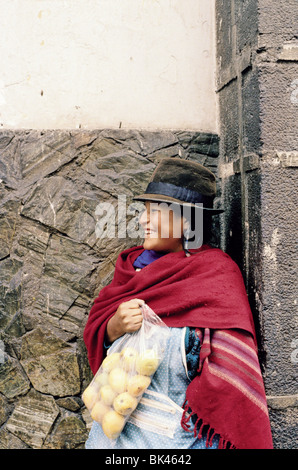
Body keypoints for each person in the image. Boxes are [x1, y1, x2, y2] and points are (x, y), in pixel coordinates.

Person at [83, 157, 273, 449]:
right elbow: (99, 329)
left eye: (155, 211)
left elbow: (228, 371)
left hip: (174, 439)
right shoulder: (131, 268)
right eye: (144, 211)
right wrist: (113, 326)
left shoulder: (215, 274)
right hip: (111, 437)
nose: (143, 220)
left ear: (188, 221)